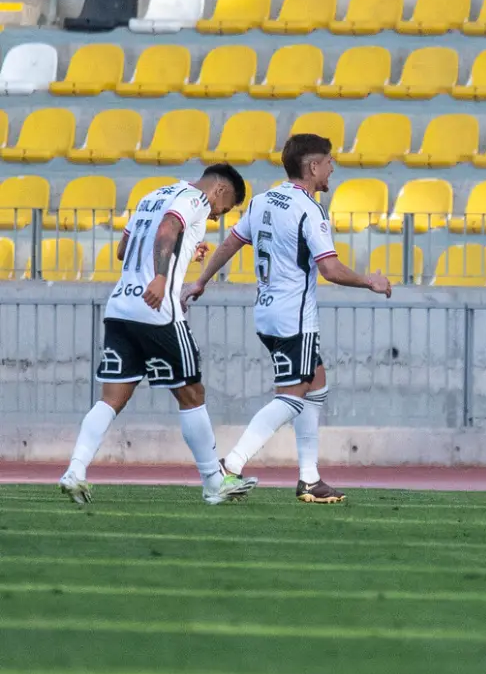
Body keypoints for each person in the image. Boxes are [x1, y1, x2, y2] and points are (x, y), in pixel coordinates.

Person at [184, 134, 393, 504]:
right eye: (328, 161)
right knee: (293, 396)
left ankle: (309, 480)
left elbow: (231, 243)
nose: (332, 168)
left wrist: (201, 281)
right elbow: (329, 268)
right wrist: (369, 281)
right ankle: (229, 468)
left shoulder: (264, 201)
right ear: (313, 167)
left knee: (316, 384)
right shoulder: (309, 210)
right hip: (294, 317)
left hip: (267, 311)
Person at [59, 164, 256, 506]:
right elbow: (167, 229)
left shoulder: (153, 195)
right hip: (157, 309)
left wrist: (184, 252)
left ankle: (75, 470)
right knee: (192, 393)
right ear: (220, 191)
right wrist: (162, 277)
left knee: (111, 399)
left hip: (121, 307)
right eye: (221, 212)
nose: (214, 218)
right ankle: (213, 482)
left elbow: (124, 251)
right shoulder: (195, 198)